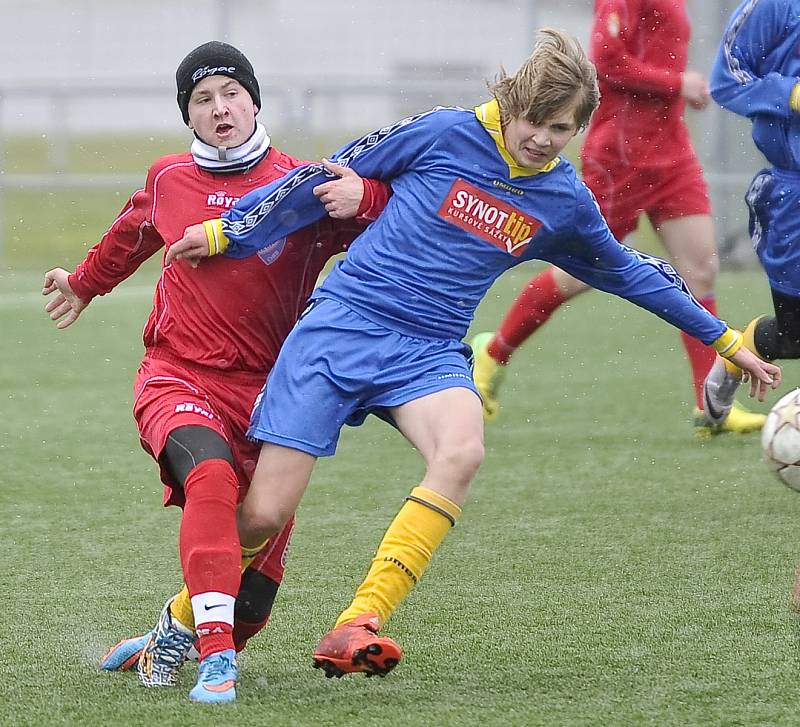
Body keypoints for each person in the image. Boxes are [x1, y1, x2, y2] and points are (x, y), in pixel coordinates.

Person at [165, 28, 780, 685]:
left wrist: (724, 339)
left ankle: (358, 621)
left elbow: (633, 272)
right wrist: (227, 228)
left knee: (463, 449)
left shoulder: (562, 200)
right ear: (512, 103)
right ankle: (176, 624)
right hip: (341, 329)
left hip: (427, 352)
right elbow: (328, 177)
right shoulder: (444, 133)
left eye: (561, 128)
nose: (543, 138)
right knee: (261, 515)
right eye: (535, 121)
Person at [42, 41, 390, 704]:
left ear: (255, 101)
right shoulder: (170, 178)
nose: (220, 106)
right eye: (202, 99)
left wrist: (366, 192)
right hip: (179, 375)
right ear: (189, 117)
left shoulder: (304, 184)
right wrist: (85, 283)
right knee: (208, 477)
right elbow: (131, 233)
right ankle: (214, 659)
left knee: (252, 602)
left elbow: (388, 216)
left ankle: (166, 638)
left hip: (273, 398)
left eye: (231, 92)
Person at [467, 0, 765, 436]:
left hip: (671, 152)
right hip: (620, 156)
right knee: (579, 274)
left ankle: (710, 403)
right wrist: (677, 82)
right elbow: (605, 64)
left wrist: (677, 89)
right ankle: (494, 353)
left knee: (701, 269)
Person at [702, 0, 800, 431]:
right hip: (793, 196)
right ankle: (747, 348)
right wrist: (790, 94)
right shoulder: (774, 7)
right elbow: (726, 79)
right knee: (795, 337)